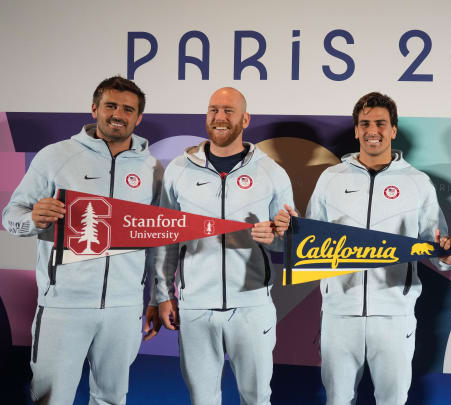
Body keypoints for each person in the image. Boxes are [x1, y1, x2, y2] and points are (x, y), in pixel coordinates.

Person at [274, 92, 451, 405]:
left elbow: (437, 249)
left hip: (394, 314)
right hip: (339, 313)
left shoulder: (418, 183)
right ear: (356, 130)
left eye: (380, 123)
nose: (372, 129)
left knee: (392, 400)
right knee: (337, 399)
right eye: (365, 124)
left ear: (393, 130)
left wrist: (448, 253)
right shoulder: (331, 178)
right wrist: (291, 230)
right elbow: (310, 246)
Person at [2, 76, 163, 404]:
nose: (118, 114)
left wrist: (158, 296)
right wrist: (32, 218)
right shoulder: (55, 156)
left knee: (111, 398)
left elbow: (159, 239)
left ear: (138, 117)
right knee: (51, 398)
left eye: (128, 109)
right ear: (94, 109)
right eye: (111, 106)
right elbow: (10, 215)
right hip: (63, 304)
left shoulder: (152, 168)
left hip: (124, 307)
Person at [154, 87, 294, 405]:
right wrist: (163, 295)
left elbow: (292, 238)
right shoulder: (179, 169)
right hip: (195, 307)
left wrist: (282, 232)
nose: (219, 117)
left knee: (256, 398)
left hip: (252, 306)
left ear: (245, 119)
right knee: (202, 400)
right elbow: (165, 239)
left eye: (228, 111)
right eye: (213, 110)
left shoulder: (271, 172)